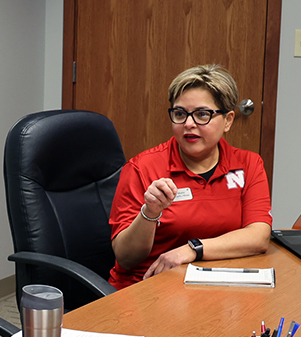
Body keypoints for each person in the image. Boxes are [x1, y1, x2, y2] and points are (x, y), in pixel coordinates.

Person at [108, 64, 271, 288]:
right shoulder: (141, 168)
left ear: (228, 120)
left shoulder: (248, 165)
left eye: (202, 114)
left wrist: (192, 249)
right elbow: (126, 258)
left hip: (211, 287)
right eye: (180, 114)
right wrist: (150, 212)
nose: (189, 124)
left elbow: (258, 236)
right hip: (146, 289)